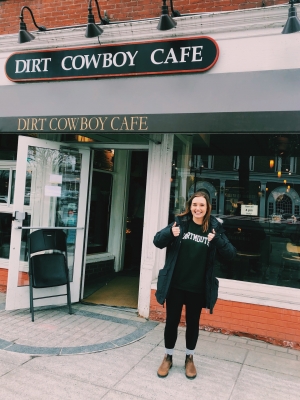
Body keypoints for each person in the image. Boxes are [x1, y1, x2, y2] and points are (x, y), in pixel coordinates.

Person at [153, 191, 236, 380]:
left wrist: (218, 240)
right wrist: (169, 233)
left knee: (193, 324)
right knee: (172, 322)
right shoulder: (180, 223)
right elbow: (157, 241)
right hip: (176, 285)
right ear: (190, 206)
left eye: (202, 205)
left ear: (207, 208)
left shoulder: (213, 228)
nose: (197, 208)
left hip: (197, 288)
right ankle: (168, 356)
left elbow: (231, 254)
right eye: (194, 205)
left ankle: (189, 358)